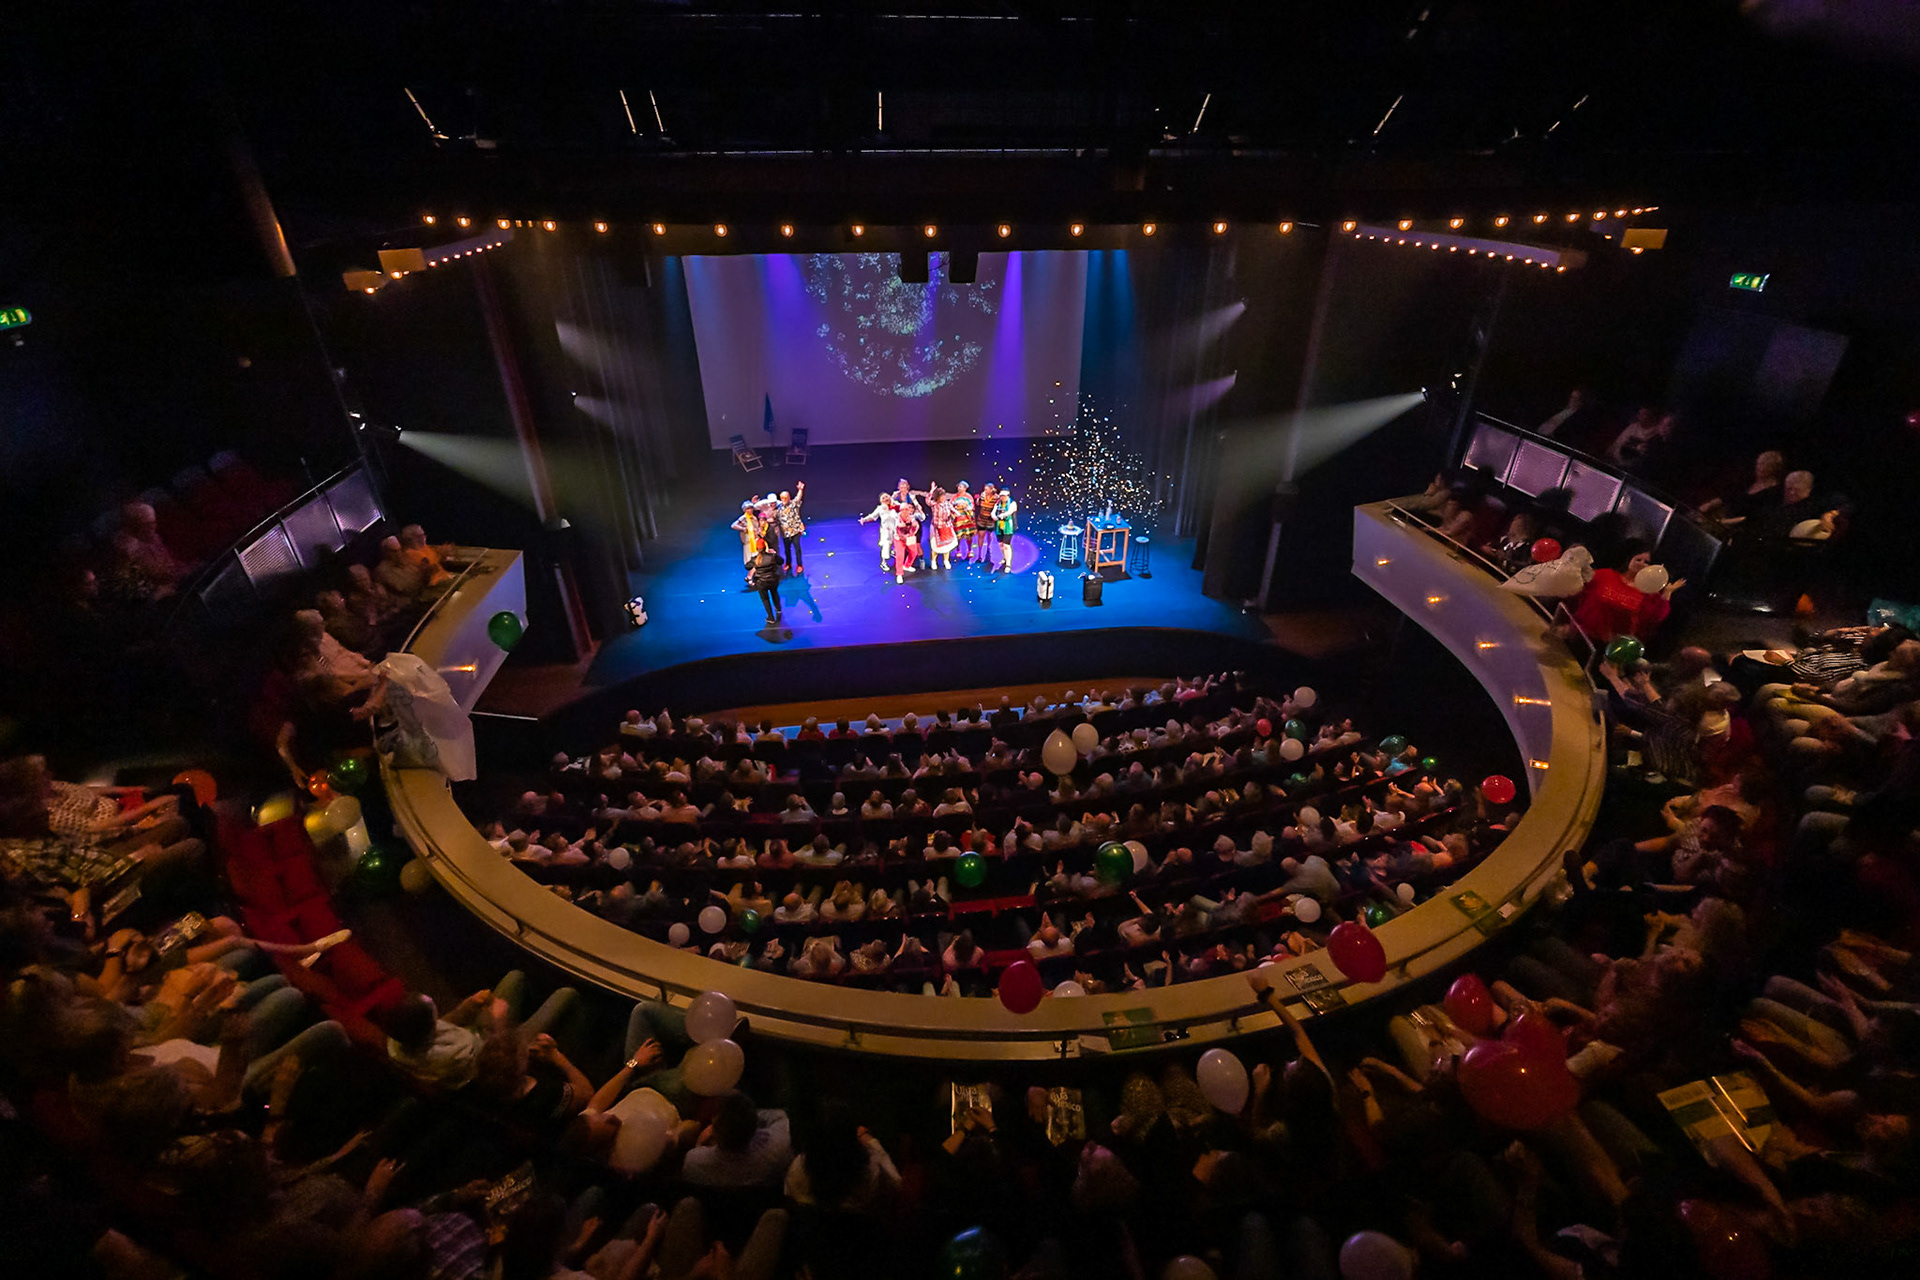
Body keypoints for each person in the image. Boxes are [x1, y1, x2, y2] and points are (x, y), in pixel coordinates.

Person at [1567, 543, 1682, 644]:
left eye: (1646, 562)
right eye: (1638, 559)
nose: (1642, 564)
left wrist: (1667, 592)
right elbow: (1578, 587)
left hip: (1609, 646)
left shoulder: (1649, 595)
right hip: (1579, 633)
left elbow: (1655, 616)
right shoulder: (1606, 575)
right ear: (1630, 560)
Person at [681, 1090, 792, 1188]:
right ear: (755, 1127)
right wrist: (745, 1115)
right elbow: (781, 1116)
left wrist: (699, 1144)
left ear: (715, 1131)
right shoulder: (777, 1148)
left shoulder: (694, 1162)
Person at [858, 494, 899, 572]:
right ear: (881, 501)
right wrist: (864, 520)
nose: (886, 498)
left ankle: (895, 554)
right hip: (886, 531)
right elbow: (873, 516)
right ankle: (883, 562)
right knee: (886, 546)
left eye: (887, 496)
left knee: (898, 544)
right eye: (883, 498)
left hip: (897, 529)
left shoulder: (895, 505)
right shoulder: (880, 509)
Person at [774, 483, 807, 573]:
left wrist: (800, 490)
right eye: (782, 498)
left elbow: (798, 498)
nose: (784, 500)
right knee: (787, 549)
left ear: (789, 498)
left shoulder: (793, 504)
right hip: (785, 533)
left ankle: (799, 565)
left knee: (797, 549)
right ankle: (788, 563)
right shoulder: (779, 509)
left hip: (795, 531)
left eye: (785, 498)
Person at [731, 501, 766, 583]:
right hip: (748, 543)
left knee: (758, 559)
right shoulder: (743, 518)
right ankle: (750, 577)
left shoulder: (754, 518)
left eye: (750, 508)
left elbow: (757, 528)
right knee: (750, 561)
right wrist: (743, 529)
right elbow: (733, 525)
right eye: (747, 509)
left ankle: (752, 577)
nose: (749, 510)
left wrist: (759, 532)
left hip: (755, 541)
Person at [748, 546, 784, 626]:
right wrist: (774, 553)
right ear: (765, 548)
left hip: (761, 583)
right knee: (774, 593)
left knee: (765, 599)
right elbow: (781, 561)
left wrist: (753, 564)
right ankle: (778, 609)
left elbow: (747, 566)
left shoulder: (755, 559)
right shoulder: (772, 556)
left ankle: (771, 617)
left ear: (757, 549)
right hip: (773, 580)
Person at [929, 485, 959, 570]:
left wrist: (957, 513)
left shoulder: (947, 503)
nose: (942, 498)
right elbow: (927, 500)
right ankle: (933, 561)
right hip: (936, 527)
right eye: (940, 496)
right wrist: (931, 491)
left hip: (946, 526)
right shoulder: (934, 504)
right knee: (935, 546)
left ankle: (946, 560)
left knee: (947, 545)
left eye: (943, 496)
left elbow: (952, 509)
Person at [990, 487, 1019, 573]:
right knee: (1001, 545)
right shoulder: (998, 503)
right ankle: (1005, 558)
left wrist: (1001, 516)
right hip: (999, 526)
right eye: (1001, 496)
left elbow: (1009, 512)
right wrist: (994, 516)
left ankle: (1008, 564)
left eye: (1004, 496)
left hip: (1008, 527)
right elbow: (993, 511)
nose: (1002, 498)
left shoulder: (1012, 503)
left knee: (1006, 545)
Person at [951, 481, 978, 563]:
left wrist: (966, 507)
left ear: (965, 488)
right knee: (958, 535)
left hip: (967, 519)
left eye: (961, 487)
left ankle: (970, 550)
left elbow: (972, 506)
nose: (959, 488)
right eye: (958, 487)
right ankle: (958, 550)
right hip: (958, 518)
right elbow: (951, 505)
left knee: (968, 535)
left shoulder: (968, 496)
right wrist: (956, 510)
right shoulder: (954, 497)